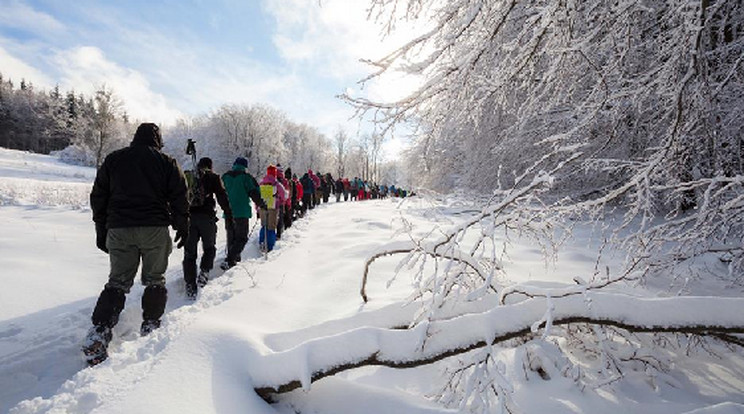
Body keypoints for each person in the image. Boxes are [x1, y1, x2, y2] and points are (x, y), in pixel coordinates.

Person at [84, 123, 189, 366]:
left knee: (117, 282)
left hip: (119, 229)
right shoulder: (167, 162)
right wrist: (182, 225)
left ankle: (98, 333)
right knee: (155, 279)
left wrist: (101, 229)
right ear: (157, 140)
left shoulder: (113, 160)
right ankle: (151, 327)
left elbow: (98, 196)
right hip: (154, 228)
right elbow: (180, 196)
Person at [182, 157, 233, 299]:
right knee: (210, 248)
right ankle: (204, 272)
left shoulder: (189, 177)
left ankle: (190, 285)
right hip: (207, 219)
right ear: (211, 166)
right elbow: (222, 197)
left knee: (189, 253)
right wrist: (228, 213)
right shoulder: (213, 177)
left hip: (190, 219)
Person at [221, 157, 266, 270]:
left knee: (231, 237)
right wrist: (261, 204)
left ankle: (233, 258)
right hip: (241, 212)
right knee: (241, 238)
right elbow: (254, 192)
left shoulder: (225, 177)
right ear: (245, 167)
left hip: (228, 212)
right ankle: (230, 260)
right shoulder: (246, 178)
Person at [258, 165, 286, 252]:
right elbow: (284, 195)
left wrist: (257, 208)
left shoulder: (261, 183)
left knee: (264, 225)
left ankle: (261, 242)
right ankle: (269, 246)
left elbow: (257, 196)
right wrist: (281, 201)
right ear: (274, 173)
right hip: (273, 207)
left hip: (262, 207)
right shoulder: (276, 183)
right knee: (271, 227)